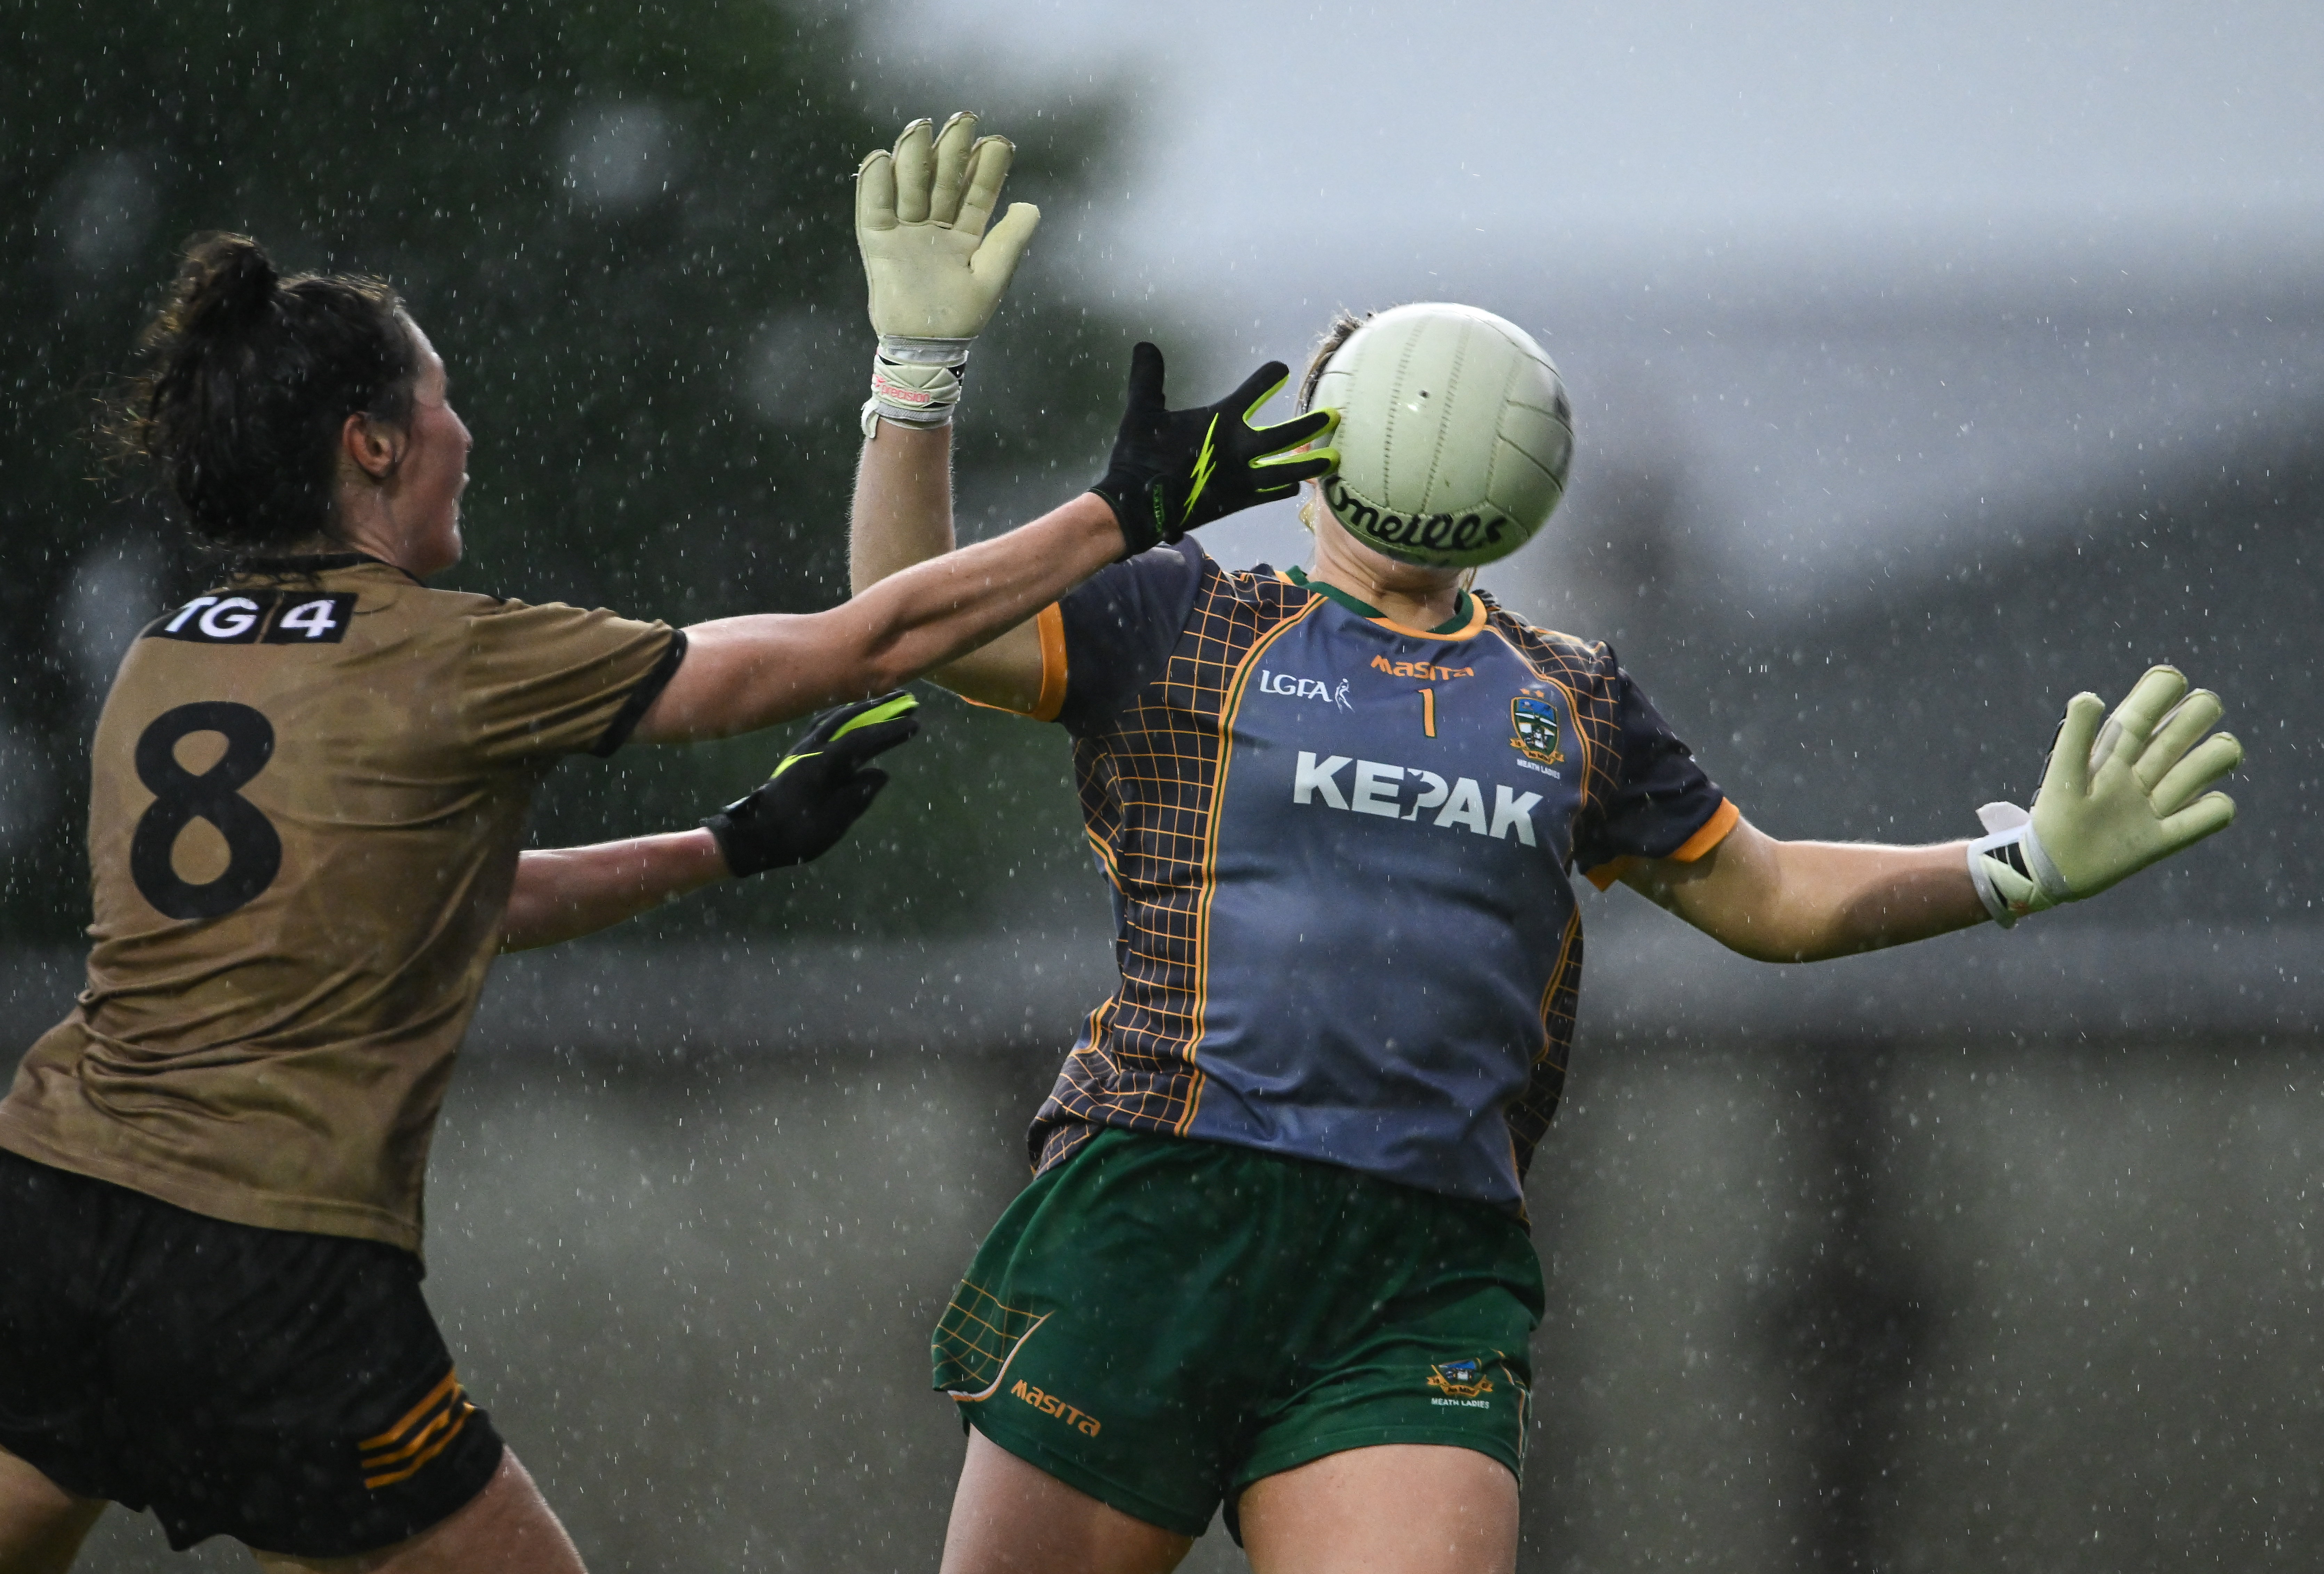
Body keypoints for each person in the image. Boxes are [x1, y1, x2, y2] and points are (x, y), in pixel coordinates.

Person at [0, 113, 1330, 1574]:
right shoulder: (451, 658)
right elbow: (853, 642)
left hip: (54, 1216)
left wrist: (726, 847)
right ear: (370, 445)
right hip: (275, 1265)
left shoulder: (166, 657)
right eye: (441, 404)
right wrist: (1119, 511)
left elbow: (437, 904)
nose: (465, 433)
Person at [849, 303, 2246, 1574]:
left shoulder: (1571, 696)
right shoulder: (1186, 616)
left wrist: (2022, 862)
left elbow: (1767, 896)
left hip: (1418, 1267)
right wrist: (915, 374)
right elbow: (898, 622)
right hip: (1159, 1217)